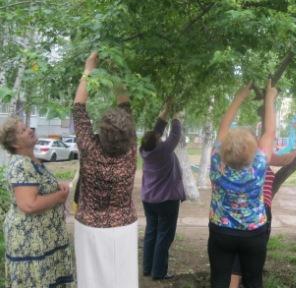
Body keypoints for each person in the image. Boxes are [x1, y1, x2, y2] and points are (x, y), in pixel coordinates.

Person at [73, 52, 138, 288]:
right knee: (123, 281)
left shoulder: (90, 148)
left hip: (90, 228)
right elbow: (125, 106)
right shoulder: (131, 150)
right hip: (123, 228)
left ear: (102, 129)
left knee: (92, 281)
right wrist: (116, 71)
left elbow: (79, 109)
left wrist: (88, 68)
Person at [208, 79, 277, 288]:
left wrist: (238, 98)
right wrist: (270, 99)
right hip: (254, 232)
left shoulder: (216, 160)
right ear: (253, 149)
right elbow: (270, 132)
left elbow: (223, 126)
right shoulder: (259, 163)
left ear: (224, 148)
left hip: (221, 230)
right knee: (254, 280)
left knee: (219, 279)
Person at [0, 118, 75, 287]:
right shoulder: (20, 164)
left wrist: (57, 186)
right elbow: (28, 205)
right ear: (15, 144)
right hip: (30, 241)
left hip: (44, 239)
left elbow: (40, 189)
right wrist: (59, 197)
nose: (30, 130)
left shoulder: (33, 162)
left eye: (27, 127)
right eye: (23, 130)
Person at [229, 150, 296, 288]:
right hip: (258, 210)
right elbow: (285, 159)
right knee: (252, 257)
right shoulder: (257, 156)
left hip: (237, 210)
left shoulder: (232, 156)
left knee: (236, 255)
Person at [140, 101, 185, 280]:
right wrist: (175, 115)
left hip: (148, 199)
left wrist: (167, 109)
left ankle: (147, 268)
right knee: (164, 235)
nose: (160, 137)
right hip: (166, 201)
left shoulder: (144, 149)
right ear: (158, 141)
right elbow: (175, 133)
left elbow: (156, 131)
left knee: (151, 231)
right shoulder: (164, 150)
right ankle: (159, 272)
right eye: (159, 137)